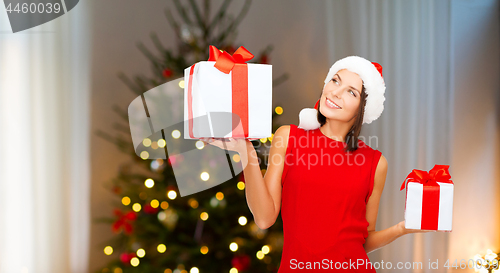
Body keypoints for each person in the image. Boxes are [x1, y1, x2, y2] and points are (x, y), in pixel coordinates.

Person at [201, 56, 439, 272]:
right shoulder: (288, 138)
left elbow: (363, 241)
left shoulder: (375, 163)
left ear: (362, 109)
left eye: (351, 92)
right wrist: (247, 153)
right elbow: (264, 218)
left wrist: (401, 229)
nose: (335, 92)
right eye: (335, 81)